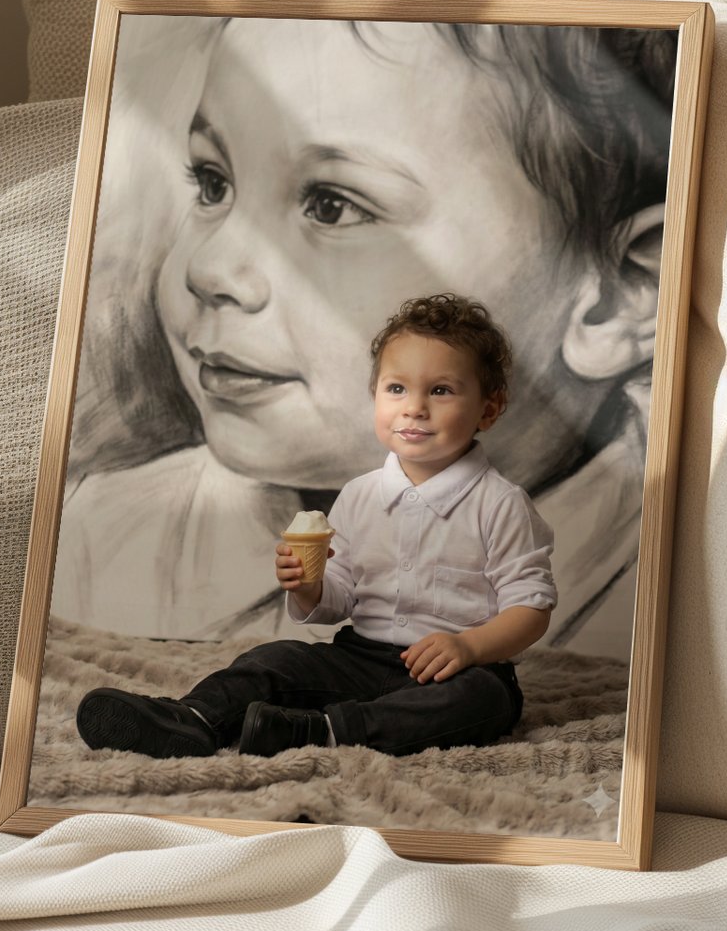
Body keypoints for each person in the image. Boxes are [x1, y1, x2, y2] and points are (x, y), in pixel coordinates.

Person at [49, 15, 672, 659]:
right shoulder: (103, 532)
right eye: (213, 183)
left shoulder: (668, 580)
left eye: (332, 205)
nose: (207, 270)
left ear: (617, 298)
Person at [75, 295, 554, 759]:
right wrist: (309, 587)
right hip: (360, 658)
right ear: (375, 397)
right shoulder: (360, 495)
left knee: (481, 702)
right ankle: (192, 718)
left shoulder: (500, 504)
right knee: (277, 659)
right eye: (396, 389)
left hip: (455, 671)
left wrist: (469, 646)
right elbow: (338, 599)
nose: (414, 407)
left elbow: (530, 609)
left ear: (488, 410)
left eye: (441, 390)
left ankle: (319, 731)